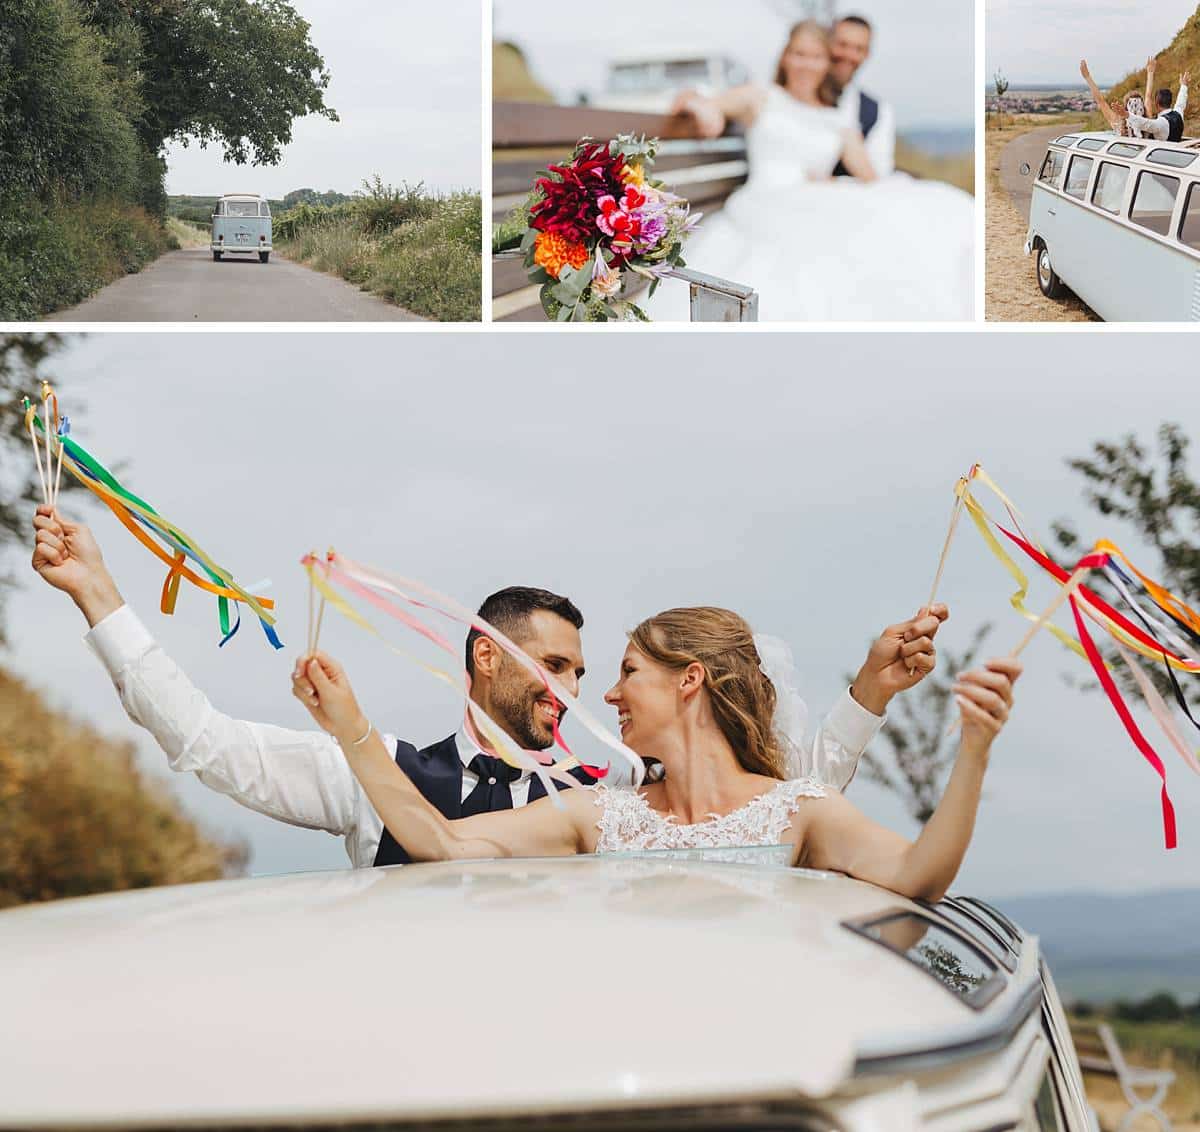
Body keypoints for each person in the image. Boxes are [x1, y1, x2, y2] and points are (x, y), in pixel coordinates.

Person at [31, 505, 947, 867]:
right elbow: (206, 743)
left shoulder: (615, 801)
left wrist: (869, 690)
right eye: (554, 667)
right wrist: (101, 598)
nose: (574, 692)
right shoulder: (373, 770)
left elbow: (782, 801)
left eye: (586, 675)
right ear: (484, 657)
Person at [293, 607, 1019, 903]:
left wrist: (975, 751)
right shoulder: (594, 815)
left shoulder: (802, 811)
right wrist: (350, 727)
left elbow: (918, 877)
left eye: (630, 672)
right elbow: (440, 843)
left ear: (690, 681)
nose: (606, 695)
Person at [646, 21, 974, 321]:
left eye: (816, 56)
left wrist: (836, 179)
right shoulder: (761, 97)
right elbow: (709, 104)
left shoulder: (836, 117)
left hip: (814, 195)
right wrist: (699, 108)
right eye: (799, 53)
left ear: (826, 63)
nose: (806, 63)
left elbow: (871, 178)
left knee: (929, 209)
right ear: (785, 57)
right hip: (767, 199)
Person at [829, 15, 895, 178]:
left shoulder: (877, 111)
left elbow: (880, 174)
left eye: (859, 49)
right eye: (842, 44)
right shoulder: (796, 95)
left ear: (867, 54)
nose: (849, 55)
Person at [1126, 57, 1189, 142]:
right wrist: (1183, 86)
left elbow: (1144, 123)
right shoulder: (1178, 114)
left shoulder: (1160, 123)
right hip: (1176, 151)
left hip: (1162, 154)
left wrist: (1126, 115)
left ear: (1157, 104)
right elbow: (1180, 103)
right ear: (1170, 101)